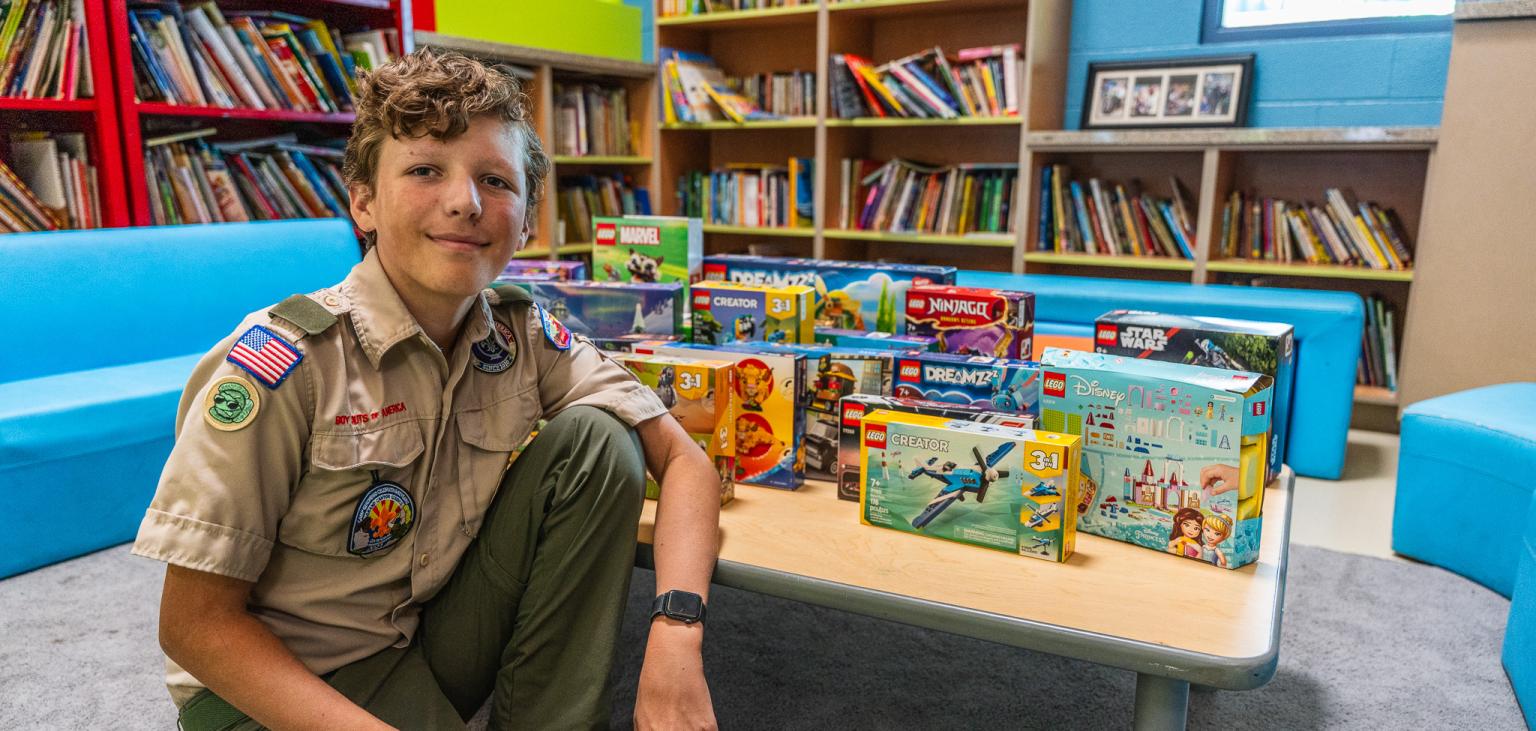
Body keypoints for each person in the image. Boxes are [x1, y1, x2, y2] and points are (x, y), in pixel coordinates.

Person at [132, 49, 720, 731]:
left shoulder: (521, 332)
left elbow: (684, 462)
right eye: (424, 170)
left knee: (599, 441)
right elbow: (194, 626)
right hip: (264, 689)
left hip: (411, 642)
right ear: (363, 201)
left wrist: (677, 635)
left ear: (528, 218)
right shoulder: (285, 360)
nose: (465, 201)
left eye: (496, 180)